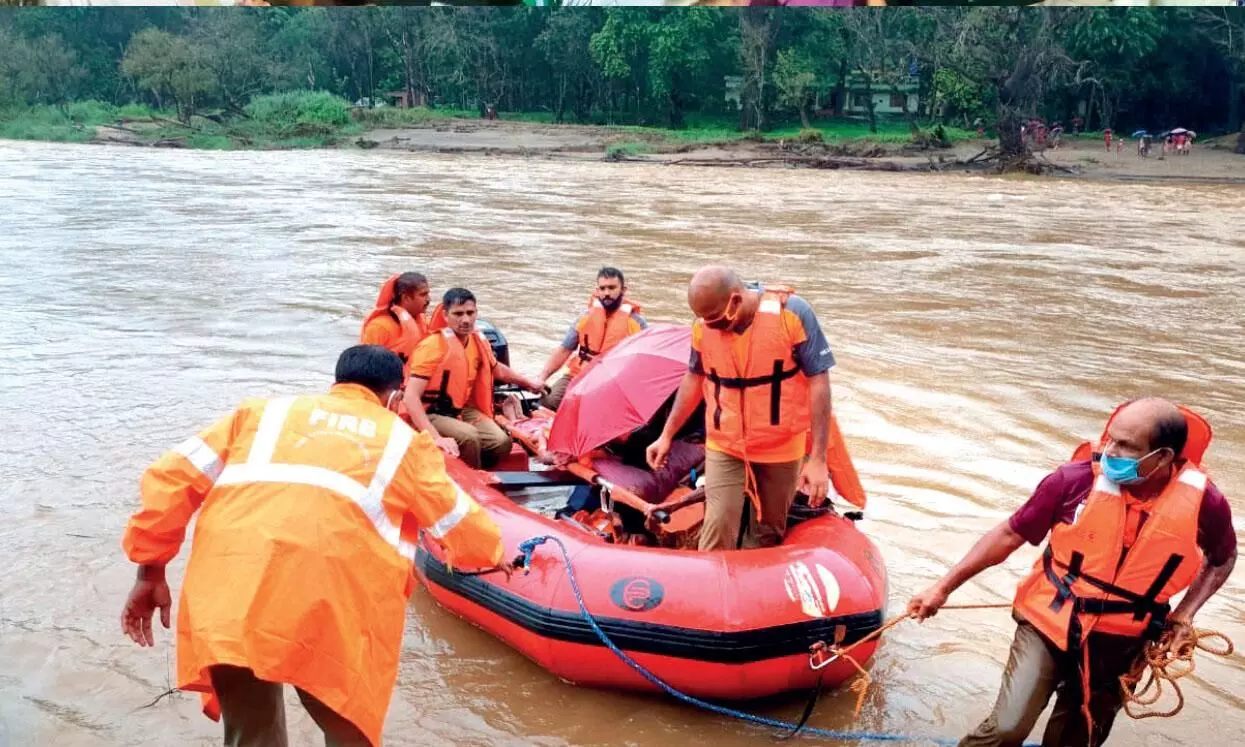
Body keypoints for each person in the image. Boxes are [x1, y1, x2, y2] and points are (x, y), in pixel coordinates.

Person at [120, 345, 508, 747]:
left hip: (229, 599)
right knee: (350, 733)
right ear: (394, 397)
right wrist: (499, 555)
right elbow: (459, 522)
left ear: (334, 383)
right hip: (328, 613)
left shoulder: (258, 415)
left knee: (251, 736)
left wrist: (150, 572)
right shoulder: (404, 443)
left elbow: (171, 478)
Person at [907, 398, 1237, 747]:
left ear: (1164, 457)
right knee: (1008, 727)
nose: (1111, 451)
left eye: (1127, 446)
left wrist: (1185, 614)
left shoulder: (1206, 504)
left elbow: (1222, 558)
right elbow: (1008, 535)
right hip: (1048, 622)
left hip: (1123, 642)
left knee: (1077, 740)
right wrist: (942, 587)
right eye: (1111, 438)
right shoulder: (1071, 482)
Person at [646, 265, 835, 551]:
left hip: (780, 446)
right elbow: (694, 378)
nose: (710, 326)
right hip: (726, 444)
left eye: (716, 319)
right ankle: (710, 588)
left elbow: (819, 383)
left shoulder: (793, 315)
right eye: (704, 320)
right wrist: (666, 434)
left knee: (766, 534)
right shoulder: (703, 327)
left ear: (735, 300)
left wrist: (818, 459)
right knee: (717, 526)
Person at [404, 287, 546, 469]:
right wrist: (436, 437)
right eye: (458, 314)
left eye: (470, 313)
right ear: (446, 316)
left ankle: (476, 468)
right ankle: (475, 479)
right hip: (431, 411)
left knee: (501, 441)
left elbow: (498, 370)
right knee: (469, 436)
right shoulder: (432, 346)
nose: (465, 319)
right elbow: (410, 397)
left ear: (476, 313)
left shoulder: (478, 340)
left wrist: (529, 383)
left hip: (461, 409)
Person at [537, 267, 648, 411]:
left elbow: (646, 361)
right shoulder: (585, 317)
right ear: (597, 290)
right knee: (548, 402)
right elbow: (564, 349)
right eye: (602, 288)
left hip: (613, 381)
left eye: (612, 288)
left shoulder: (637, 323)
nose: (606, 293)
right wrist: (541, 378)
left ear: (623, 290)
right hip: (578, 374)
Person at [360, 272, 431, 374]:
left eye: (428, 294)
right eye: (423, 295)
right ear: (405, 298)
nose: (429, 300)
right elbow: (367, 368)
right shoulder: (379, 327)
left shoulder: (426, 323)